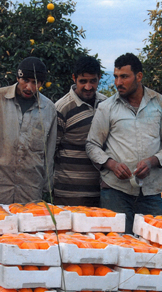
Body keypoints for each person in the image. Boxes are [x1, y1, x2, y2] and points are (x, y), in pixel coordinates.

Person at [86, 53, 162, 233]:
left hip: (151, 192)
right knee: (117, 247)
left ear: (139, 76)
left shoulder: (161, 104)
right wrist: (111, 164)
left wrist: (151, 161)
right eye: (115, 77)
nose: (118, 83)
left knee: (153, 247)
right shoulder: (107, 107)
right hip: (115, 191)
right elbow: (92, 145)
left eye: (124, 77)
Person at [0, 57, 57, 204]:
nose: (29, 87)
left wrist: (45, 187)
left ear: (41, 83)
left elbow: (49, 153)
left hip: (30, 191)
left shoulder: (49, 109)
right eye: (25, 80)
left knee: (28, 227)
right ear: (18, 77)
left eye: (35, 82)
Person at [54, 56, 108, 206]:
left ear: (99, 79)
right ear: (74, 78)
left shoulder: (106, 105)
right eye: (83, 81)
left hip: (101, 193)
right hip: (69, 195)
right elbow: (51, 151)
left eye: (93, 81)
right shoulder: (61, 108)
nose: (88, 87)